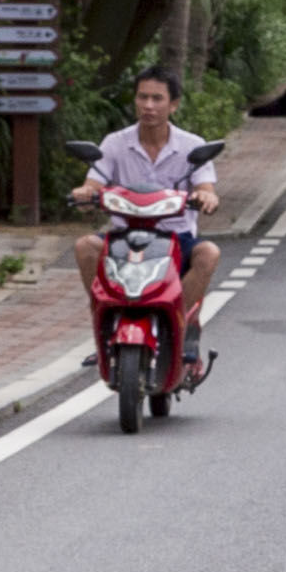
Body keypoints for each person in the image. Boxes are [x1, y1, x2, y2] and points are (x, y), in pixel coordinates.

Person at [87, 66, 226, 377]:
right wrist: (85, 192)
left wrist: (206, 196)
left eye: (157, 99)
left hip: (175, 238)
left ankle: (181, 323)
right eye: (142, 97)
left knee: (209, 253)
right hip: (124, 235)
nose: (148, 105)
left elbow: (206, 186)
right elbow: (93, 183)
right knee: (86, 246)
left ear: (173, 104)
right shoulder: (114, 143)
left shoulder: (192, 145)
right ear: (135, 101)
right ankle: (101, 319)